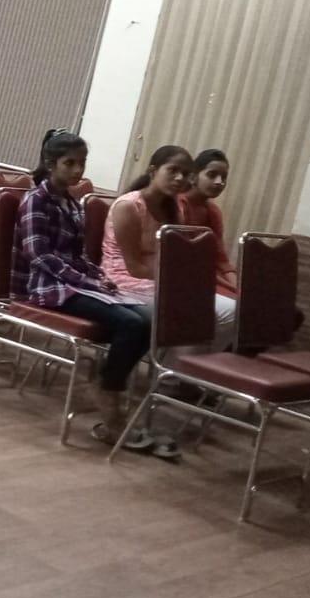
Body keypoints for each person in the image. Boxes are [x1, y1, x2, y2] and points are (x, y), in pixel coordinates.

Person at [13, 131, 161, 452]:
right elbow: (40, 255)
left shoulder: (72, 203)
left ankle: (107, 378)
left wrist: (99, 276)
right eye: (69, 163)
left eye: (82, 163)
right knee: (131, 323)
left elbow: (77, 255)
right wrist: (86, 282)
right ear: (51, 163)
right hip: (47, 288)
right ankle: (109, 392)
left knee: (149, 319)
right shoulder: (36, 200)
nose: (77, 170)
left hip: (73, 284)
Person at [101, 144, 237, 348]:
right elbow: (134, 268)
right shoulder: (129, 206)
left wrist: (184, 280)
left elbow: (177, 258)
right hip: (123, 280)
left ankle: (179, 365)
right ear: (153, 171)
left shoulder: (174, 209)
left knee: (232, 311)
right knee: (196, 312)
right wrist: (177, 281)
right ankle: (172, 366)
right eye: (173, 170)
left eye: (185, 173)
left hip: (159, 280)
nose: (180, 178)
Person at [178, 149, 238, 297]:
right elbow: (182, 257)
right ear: (193, 177)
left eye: (223, 177)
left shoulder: (213, 211)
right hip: (185, 276)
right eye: (212, 175)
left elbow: (221, 259)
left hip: (210, 276)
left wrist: (238, 287)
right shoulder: (178, 205)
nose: (219, 182)